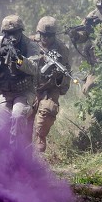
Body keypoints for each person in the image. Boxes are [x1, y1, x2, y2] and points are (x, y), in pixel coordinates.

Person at [0, 15, 40, 148]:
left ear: (21, 31)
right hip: (4, 91)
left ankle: (17, 156)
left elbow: (35, 68)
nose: (11, 37)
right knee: (2, 126)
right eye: (8, 33)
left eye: (14, 33)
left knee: (18, 116)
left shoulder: (30, 45)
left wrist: (20, 59)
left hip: (24, 91)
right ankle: (3, 159)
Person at [31, 16, 71, 152]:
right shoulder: (30, 43)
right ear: (38, 33)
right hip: (29, 86)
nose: (46, 38)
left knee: (49, 109)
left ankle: (40, 136)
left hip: (49, 87)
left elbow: (66, 73)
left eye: (49, 35)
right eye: (43, 35)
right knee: (23, 116)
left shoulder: (62, 49)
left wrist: (59, 77)